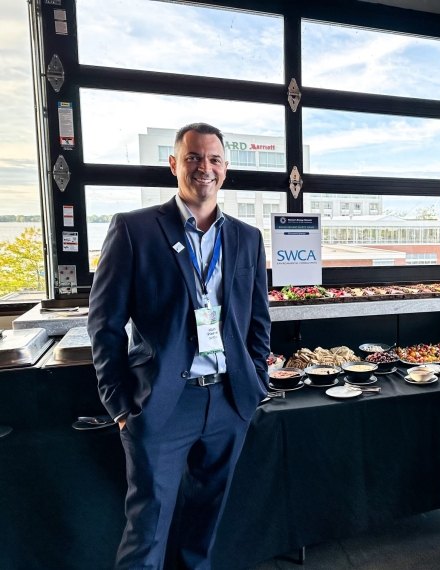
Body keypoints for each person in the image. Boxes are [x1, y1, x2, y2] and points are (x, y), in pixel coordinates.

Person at [88, 122, 271, 569]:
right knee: (146, 532)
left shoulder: (247, 238)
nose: (203, 168)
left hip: (228, 401)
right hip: (162, 403)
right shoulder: (134, 230)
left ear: (224, 170)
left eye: (212, 159)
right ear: (174, 164)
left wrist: (255, 382)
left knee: (202, 529)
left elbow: (259, 321)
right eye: (192, 157)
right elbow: (104, 324)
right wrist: (120, 408)